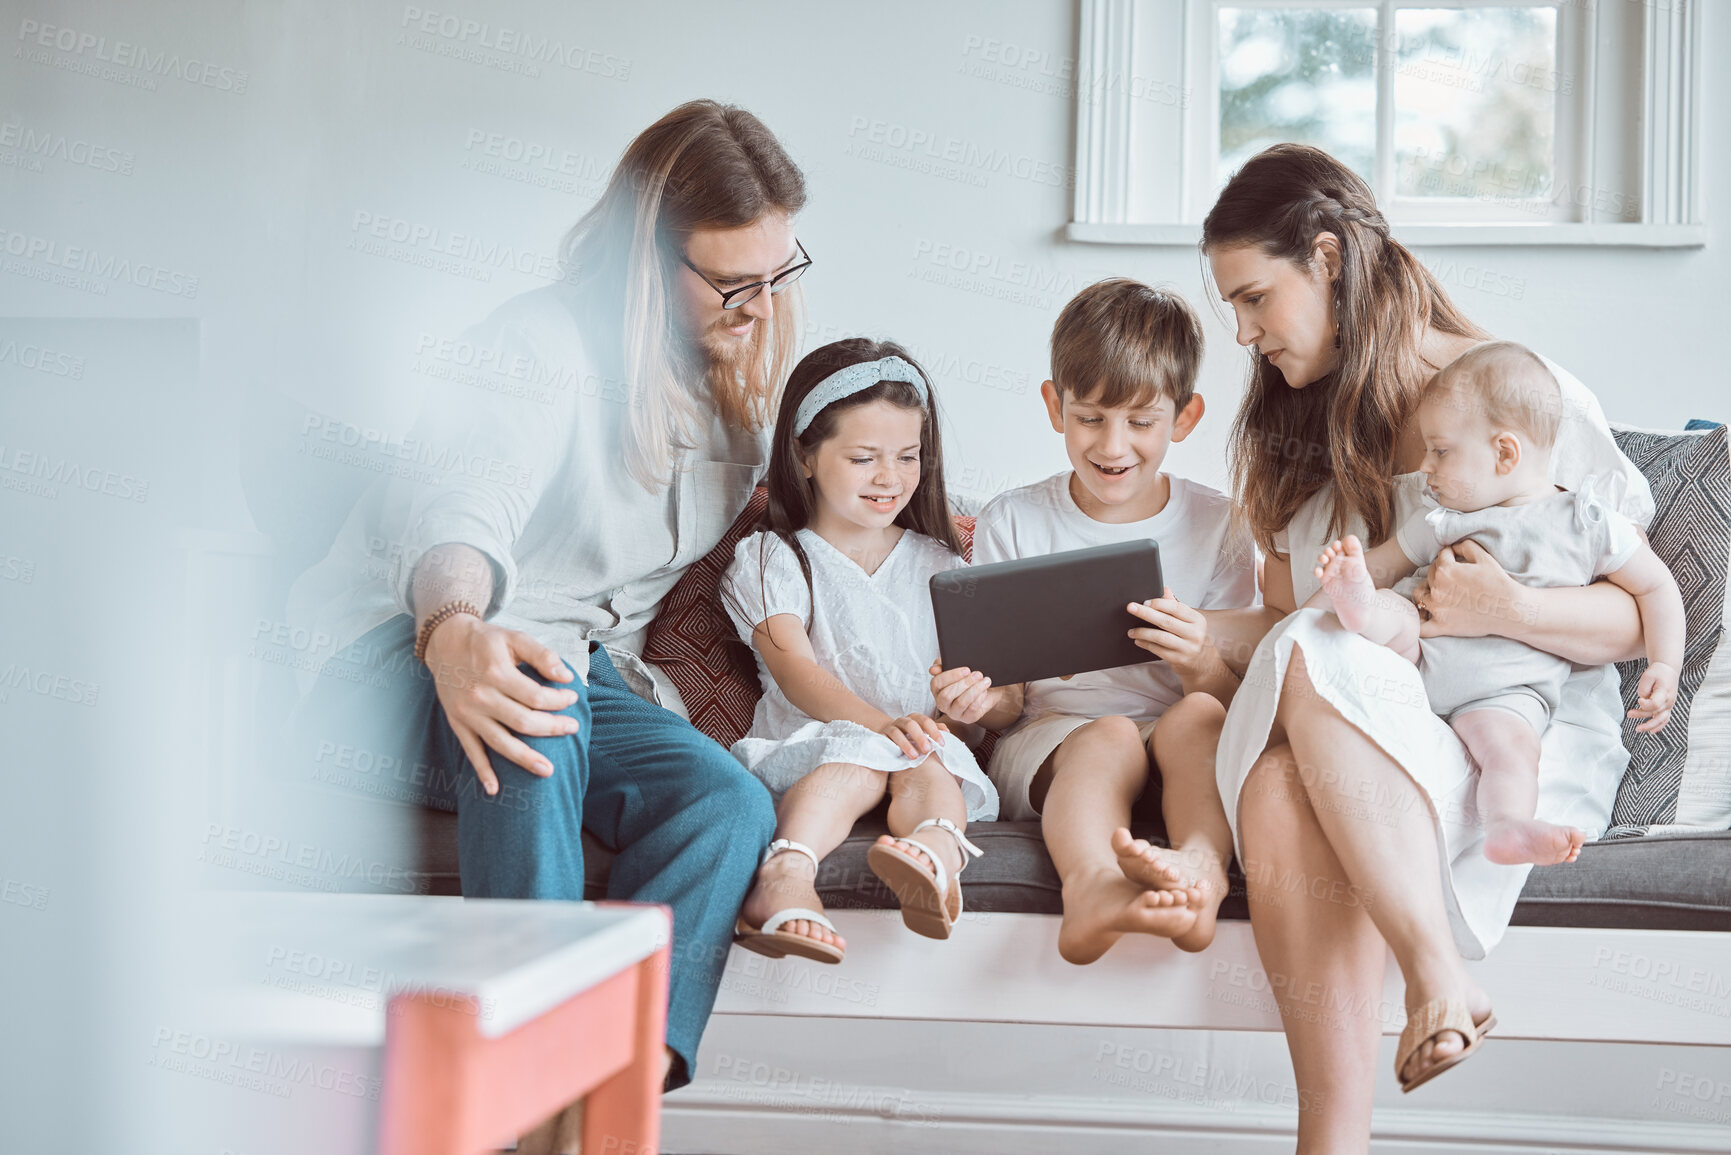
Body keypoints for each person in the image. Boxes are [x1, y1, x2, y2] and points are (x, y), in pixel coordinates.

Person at [287, 100, 812, 1148]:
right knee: (533, 709)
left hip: (570, 673)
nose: (761, 307)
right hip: (399, 656)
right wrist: (455, 631)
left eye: (780, 276)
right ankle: (514, 1094)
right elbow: (457, 518)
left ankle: (604, 1097)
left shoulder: (732, 386)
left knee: (726, 804)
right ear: (644, 261)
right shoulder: (534, 348)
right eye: (732, 282)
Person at [1184, 144, 1654, 1149]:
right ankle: (1345, 1122)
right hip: (1349, 729)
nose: (1242, 332)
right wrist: (1171, 637)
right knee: (1282, 747)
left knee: (1313, 652)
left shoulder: (1516, 403)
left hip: (1501, 748)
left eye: (1256, 299)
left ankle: (1433, 982)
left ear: (1327, 259)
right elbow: (1281, 637)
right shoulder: (1300, 441)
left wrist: (1509, 611)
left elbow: (1629, 617)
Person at [948, 279, 1257, 965]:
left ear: (1184, 416)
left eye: (1141, 421)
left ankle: (1201, 872)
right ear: (1055, 406)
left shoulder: (1221, 525)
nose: (1113, 445)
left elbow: (1233, 698)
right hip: (1054, 740)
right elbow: (1005, 706)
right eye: (1090, 417)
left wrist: (1200, 655)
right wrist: (978, 701)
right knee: (1109, 733)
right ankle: (1091, 886)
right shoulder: (1014, 519)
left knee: (1198, 719)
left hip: (1180, 735)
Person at [1312, 341, 1683, 866]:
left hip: (1508, 692)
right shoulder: (1442, 518)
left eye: (1439, 451)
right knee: (1394, 613)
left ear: (1505, 453)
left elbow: (1656, 587)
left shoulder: (1587, 522)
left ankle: (1508, 827)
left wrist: (1666, 664)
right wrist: (1349, 573)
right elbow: (1387, 561)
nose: (1424, 467)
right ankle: (1359, 611)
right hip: (1419, 662)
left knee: (1511, 754)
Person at [721, 340, 1001, 963]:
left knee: (933, 767)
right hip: (818, 741)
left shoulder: (945, 560)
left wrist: (965, 708)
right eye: (863, 458)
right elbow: (796, 671)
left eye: (908, 457)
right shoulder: (774, 557)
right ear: (805, 456)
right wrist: (885, 727)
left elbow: (982, 690)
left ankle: (933, 855)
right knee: (859, 761)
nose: (890, 478)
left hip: (918, 745)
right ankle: (786, 874)